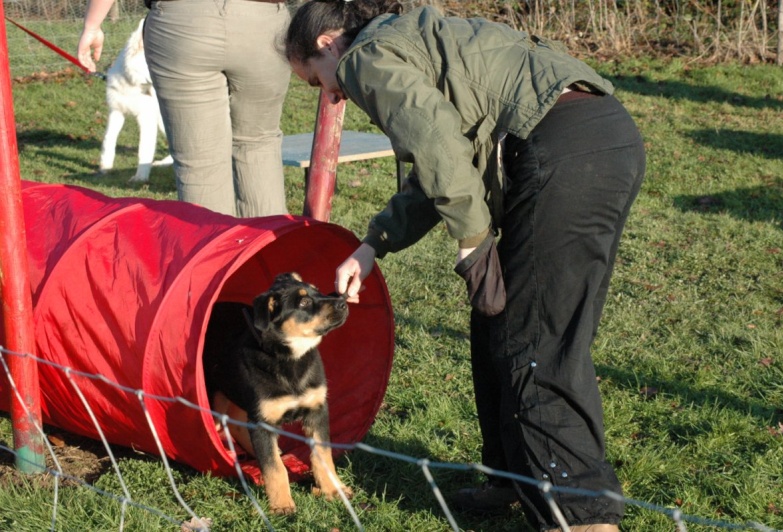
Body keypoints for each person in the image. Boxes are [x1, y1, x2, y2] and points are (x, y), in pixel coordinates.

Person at [284, 1, 646, 531]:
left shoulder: (365, 57)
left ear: (325, 44)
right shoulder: (409, 38)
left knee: (537, 341)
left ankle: (585, 515)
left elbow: (435, 144)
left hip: (563, 153)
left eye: (316, 82)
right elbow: (443, 156)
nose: (332, 96)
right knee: (499, 320)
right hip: (602, 137)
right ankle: (514, 478)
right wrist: (373, 244)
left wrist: (473, 242)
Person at [77, 0, 291, 218]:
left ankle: (214, 249)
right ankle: (271, 249)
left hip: (181, 24)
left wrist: (92, 25)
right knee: (258, 145)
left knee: (200, 162)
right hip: (263, 22)